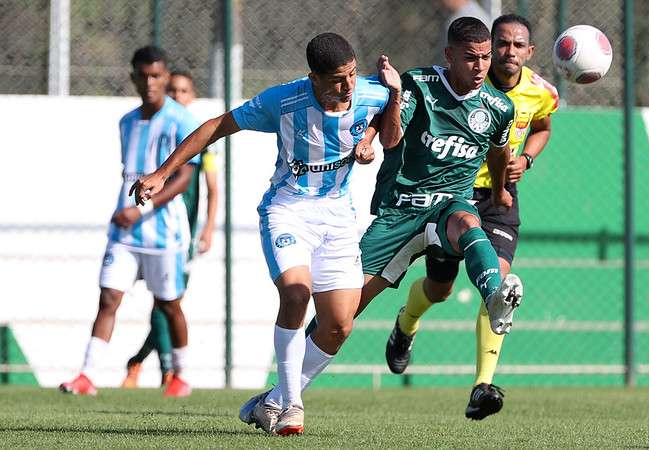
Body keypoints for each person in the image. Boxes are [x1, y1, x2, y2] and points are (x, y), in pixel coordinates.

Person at [240, 16, 523, 429]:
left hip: (450, 205)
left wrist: (498, 191)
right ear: (449, 56)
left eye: (484, 57)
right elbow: (387, 130)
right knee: (340, 317)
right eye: (470, 58)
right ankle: (280, 396)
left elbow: (498, 151)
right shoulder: (419, 84)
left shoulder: (499, 106)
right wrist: (371, 138)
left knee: (467, 222)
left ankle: (495, 296)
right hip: (399, 213)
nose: (480, 66)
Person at [131, 33, 396, 436]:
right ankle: (292, 406)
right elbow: (217, 126)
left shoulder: (373, 92)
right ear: (314, 79)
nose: (348, 87)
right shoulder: (284, 100)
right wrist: (162, 172)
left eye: (353, 75)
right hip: (287, 210)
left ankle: (272, 401)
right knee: (295, 292)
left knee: (339, 325)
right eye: (338, 79)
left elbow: (387, 125)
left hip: (339, 217)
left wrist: (374, 131)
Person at [388, 14, 558, 420]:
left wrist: (527, 159)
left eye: (518, 46)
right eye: (501, 44)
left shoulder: (540, 93)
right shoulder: (462, 85)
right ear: (487, 46)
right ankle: (405, 325)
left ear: (530, 52)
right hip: (451, 196)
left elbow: (543, 127)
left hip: (498, 198)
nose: (508, 52)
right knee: (439, 289)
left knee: (495, 287)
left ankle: (482, 385)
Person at [59, 46, 199, 398]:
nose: (150, 83)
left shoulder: (181, 121)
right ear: (133, 78)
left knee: (169, 304)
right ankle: (87, 376)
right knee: (108, 298)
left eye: (157, 76)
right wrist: (128, 210)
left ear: (166, 78)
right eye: (144, 76)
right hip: (124, 230)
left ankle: (182, 375)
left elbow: (184, 179)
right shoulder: (126, 122)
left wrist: (143, 209)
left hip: (163, 231)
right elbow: (130, 176)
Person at [122, 70, 219, 389]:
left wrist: (207, 229)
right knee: (164, 301)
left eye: (183, 91)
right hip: (148, 226)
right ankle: (160, 368)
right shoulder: (160, 134)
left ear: (192, 96)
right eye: (173, 90)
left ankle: (143, 362)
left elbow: (213, 188)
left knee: (168, 300)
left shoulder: (203, 141)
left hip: (183, 232)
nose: (177, 96)